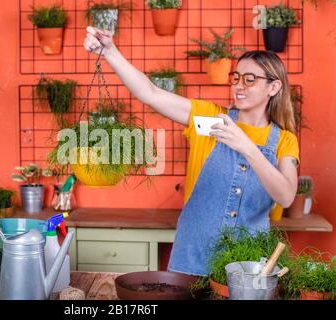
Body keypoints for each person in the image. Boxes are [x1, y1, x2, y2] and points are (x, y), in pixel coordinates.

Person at [83, 26, 299, 276]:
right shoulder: (209, 119)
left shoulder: (285, 140)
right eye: (236, 77)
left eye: (250, 80)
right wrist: (110, 52)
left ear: (273, 87)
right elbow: (149, 93)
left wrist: (248, 148)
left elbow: (285, 196)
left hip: (247, 263)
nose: (239, 85)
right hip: (193, 254)